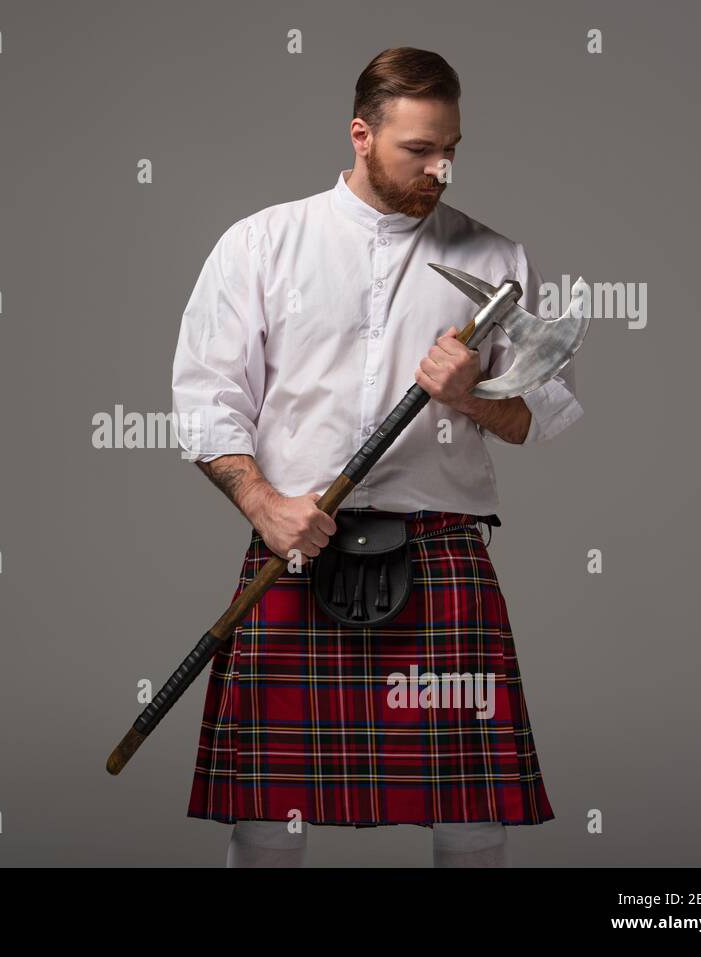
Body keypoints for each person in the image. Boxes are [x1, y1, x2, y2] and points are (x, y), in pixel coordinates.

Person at [170, 47, 583, 868]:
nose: (443, 169)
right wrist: (263, 504)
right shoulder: (261, 245)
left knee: (471, 812)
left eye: (452, 149)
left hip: (440, 552)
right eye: (420, 149)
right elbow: (206, 397)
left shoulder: (495, 260)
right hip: (297, 542)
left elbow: (543, 414)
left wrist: (468, 394)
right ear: (361, 134)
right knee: (263, 812)